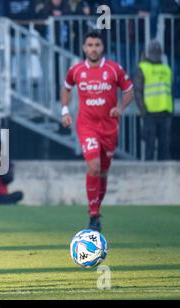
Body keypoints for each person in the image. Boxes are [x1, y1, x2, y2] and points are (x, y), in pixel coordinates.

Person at [61, 31, 134, 232]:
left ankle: (96, 208)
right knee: (93, 166)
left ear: (102, 48)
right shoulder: (76, 70)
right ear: (84, 48)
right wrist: (65, 111)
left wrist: (120, 107)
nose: (93, 48)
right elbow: (66, 88)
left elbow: (130, 90)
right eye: (90, 45)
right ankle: (93, 215)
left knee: (103, 171)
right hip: (86, 126)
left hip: (109, 127)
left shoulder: (114, 69)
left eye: (97, 45)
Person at [134, 40, 173, 161]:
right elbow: (138, 92)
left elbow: (138, 91)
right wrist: (143, 111)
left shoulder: (143, 68)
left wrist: (143, 110)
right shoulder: (166, 69)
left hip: (156, 112)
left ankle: (152, 174)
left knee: (158, 147)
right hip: (156, 112)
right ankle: (154, 175)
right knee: (158, 147)